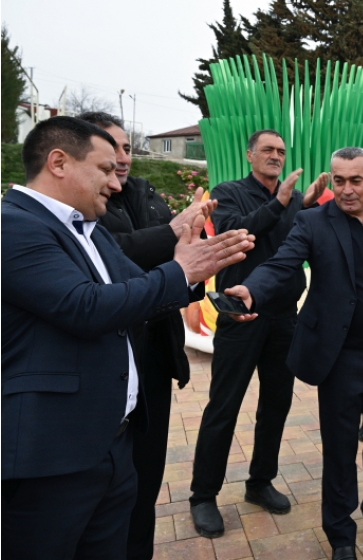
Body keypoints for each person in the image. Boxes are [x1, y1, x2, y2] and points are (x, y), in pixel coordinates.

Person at [2, 117, 253, 560]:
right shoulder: (15, 226)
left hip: (114, 443)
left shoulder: (88, 229)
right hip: (53, 455)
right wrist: (180, 271)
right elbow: (85, 307)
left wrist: (196, 278)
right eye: (104, 169)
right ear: (58, 162)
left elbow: (137, 292)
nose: (116, 183)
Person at [225, 147, 363, 559]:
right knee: (340, 450)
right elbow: (282, 264)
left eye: (356, 180)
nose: (347, 189)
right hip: (340, 358)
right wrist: (252, 289)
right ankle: (340, 534)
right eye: (339, 180)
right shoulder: (313, 221)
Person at [78, 112, 212, 560]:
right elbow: (118, 259)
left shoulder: (146, 195)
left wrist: (193, 266)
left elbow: (181, 257)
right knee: (101, 492)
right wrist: (174, 239)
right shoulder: (82, 209)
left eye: (126, 148)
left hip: (154, 357)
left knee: (146, 478)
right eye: (110, 149)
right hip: (110, 363)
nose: (121, 158)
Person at [188, 129, 329, 538]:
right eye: (267, 149)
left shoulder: (293, 198)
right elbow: (239, 234)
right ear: (250, 154)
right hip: (240, 316)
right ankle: (203, 495)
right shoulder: (229, 192)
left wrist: (303, 204)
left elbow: (295, 244)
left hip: (283, 316)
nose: (275, 156)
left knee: (276, 404)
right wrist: (282, 202)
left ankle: (260, 481)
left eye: (281, 151)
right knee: (224, 406)